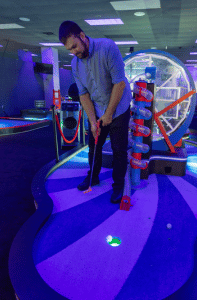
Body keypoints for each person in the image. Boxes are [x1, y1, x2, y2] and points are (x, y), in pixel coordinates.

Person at [59, 21, 132, 204]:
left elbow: (119, 83)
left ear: (82, 36)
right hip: (98, 108)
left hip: (119, 107)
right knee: (95, 145)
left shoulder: (107, 48)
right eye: (70, 49)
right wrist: (93, 122)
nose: (74, 52)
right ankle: (93, 176)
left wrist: (109, 114)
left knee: (118, 149)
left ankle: (118, 185)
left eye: (75, 46)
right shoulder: (75, 64)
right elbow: (83, 94)